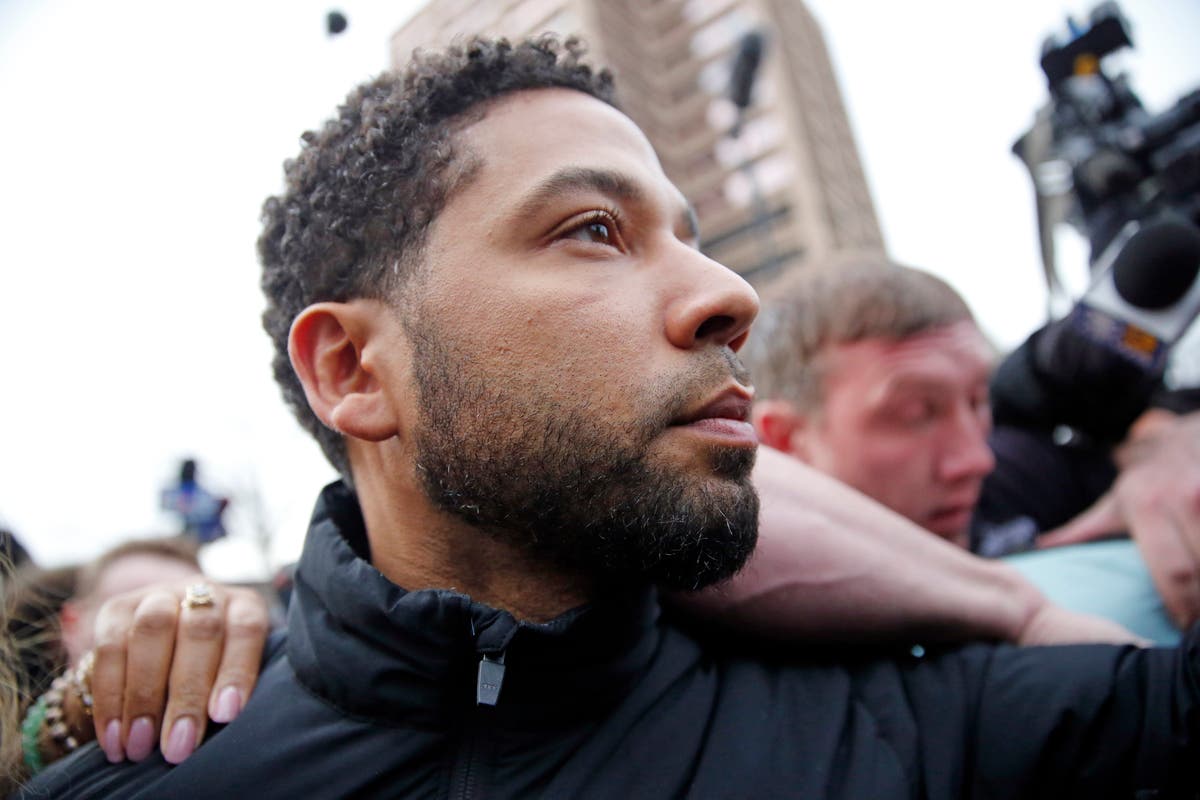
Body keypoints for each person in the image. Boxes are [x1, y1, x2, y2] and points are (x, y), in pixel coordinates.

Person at [23, 36, 1199, 798]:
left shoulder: (917, 724)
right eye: (593, 228)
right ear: (352, 369)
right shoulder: (143, 777)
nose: (729, 294)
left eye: (692, 234)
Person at [743, 255, 1198, 639]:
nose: (976, 459)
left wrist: (1170, 453)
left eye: (978, 401)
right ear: (785, 438)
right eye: (916, 412)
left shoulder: (1014, 477)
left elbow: (1144, 453)